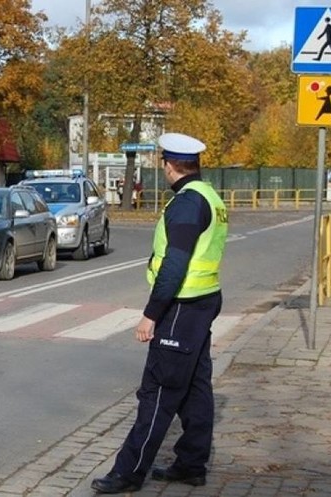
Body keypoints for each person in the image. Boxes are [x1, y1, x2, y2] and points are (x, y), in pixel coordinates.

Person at [91, 133, 229, 494]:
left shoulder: (186, 204)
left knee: (158, 392)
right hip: (203, 300)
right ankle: (191, 463)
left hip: (181, 306)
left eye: (163, 164)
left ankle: (128, 473)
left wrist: (151, 314)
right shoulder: (211, 197)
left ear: (169, 166)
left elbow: (175, 264)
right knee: (196, 387)